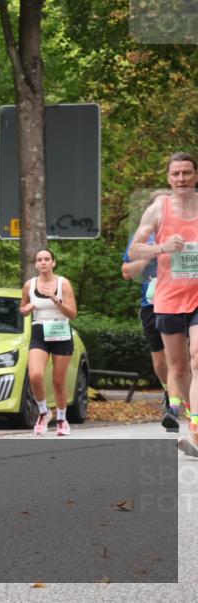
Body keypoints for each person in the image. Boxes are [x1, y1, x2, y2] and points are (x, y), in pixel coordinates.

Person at [129, 151, 198, 457]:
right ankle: (193, 420)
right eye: (176, 174)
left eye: (187, 173)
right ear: (168, 178)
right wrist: (162, 247)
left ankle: (196, 431)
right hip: (169, 297)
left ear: (195, 175)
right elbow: (135, 250)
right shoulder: (158, 209)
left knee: (197, 358)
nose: (181, 178)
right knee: (179, 368)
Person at [121, 190, 173, 430]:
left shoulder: (184, 231)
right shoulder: (142, 239)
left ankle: (176, 404)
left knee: (187, 356)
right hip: (151, 304)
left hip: (183, 302)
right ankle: (168, 391)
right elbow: (127, 272)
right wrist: (155, 252)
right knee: (161, 359)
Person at [20, 249, 79, 436]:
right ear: (36, 264)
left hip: (61, 332)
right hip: (39, 333)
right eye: (39, 260)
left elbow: (73, 314)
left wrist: (57, 301)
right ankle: (44, 413)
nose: (43, 262)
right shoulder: (29, 285)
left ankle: (62, 419)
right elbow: (22, 308)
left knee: (58, 381)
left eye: (47, 259)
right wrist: (26, 309)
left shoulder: (64, 284)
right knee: (35, 375)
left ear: (53, 263)